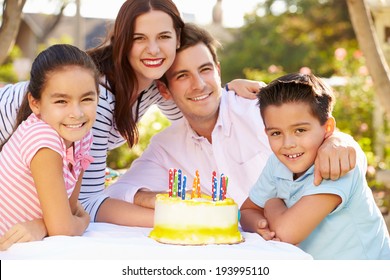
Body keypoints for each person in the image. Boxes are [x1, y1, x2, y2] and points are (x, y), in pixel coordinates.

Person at [0, 0, 259, 228]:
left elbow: (195, 111)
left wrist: (225, 90)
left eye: (164, 37)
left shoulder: (156, 86)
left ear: (177, 38)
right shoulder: (94, 98)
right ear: (122, 41)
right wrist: (178, 217)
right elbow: (86, 204)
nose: (154, 50)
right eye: (139, 38)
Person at [105, 23, 360, 228]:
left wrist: (338, 140)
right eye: (182, 76)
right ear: (164, 90)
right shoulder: (166, 146)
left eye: (205, 70)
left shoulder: (258, 112)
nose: (199, 84)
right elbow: (115, 195)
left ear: (217, 70)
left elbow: (338, 147)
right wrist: (153, 198)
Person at [240, 73, 390, 259]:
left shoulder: (336, 164)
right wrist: (261, 226)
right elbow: (247, 211)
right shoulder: (277, 163)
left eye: (300, 130)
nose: (288, 143)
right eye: (276, 133)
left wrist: (271, 204)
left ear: (327, 128)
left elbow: (287, 233)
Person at [0, 44, 99, 250]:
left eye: (87, 99)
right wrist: (85, 221)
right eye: (61, 101)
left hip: (24, 246)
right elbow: (65, 228)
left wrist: (43, 225)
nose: (77, 113)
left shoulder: (82, 137)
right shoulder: (43, 138)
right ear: (35, 103)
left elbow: (69, 211)